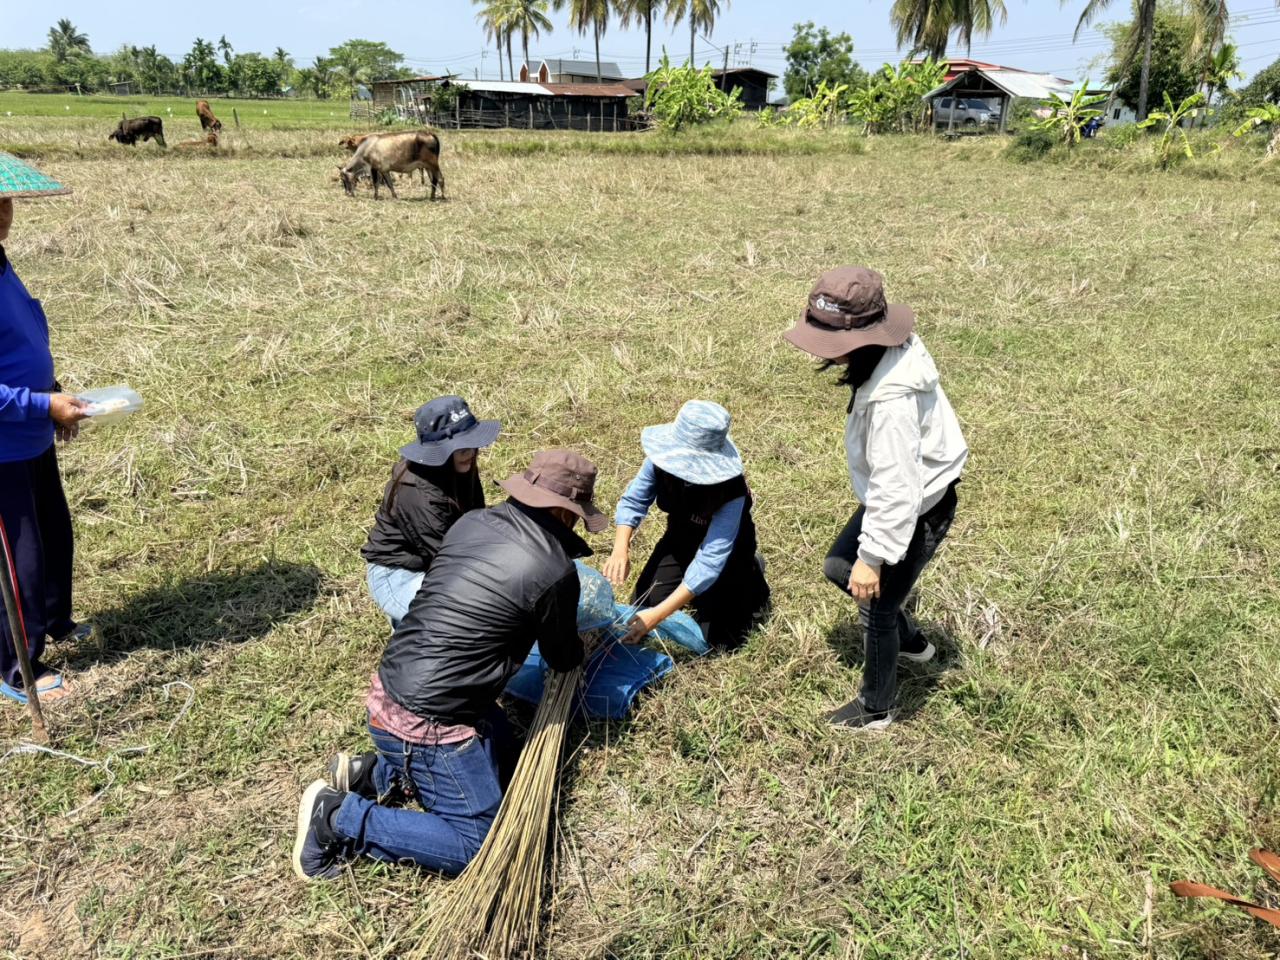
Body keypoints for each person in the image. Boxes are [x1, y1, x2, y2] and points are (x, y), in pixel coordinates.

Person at [293, 449, 608, 881]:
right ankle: (337, 818)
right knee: (477, 842)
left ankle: (377, 775)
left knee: (506, 754)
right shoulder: (555, 570)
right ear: (564, 511)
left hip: (391, 685)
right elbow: (562, 658)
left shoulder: (473, 522)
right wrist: (578, 639)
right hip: (427, 726)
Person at [783, 267, 968, 731]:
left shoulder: (891, 404)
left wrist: (873, 558)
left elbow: (898, 486)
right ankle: (912, 644)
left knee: (876, 606)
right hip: (899, 497)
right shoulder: (885, 354)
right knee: (838, 568)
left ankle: (875, 708)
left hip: (919, 505)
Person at [0, 154, 93, 706]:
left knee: (53, 535)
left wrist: (53, 394)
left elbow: (20, 339)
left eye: (6, 201)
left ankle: (55, 620)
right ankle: (16, 666)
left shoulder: (1, 263)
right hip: (4, 448)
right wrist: (41, 404)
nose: (4, 213)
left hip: (32, 433)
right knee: (18, 558)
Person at [603, 400, 769, 652]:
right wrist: (620, 549)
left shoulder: (731, 491)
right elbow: (634, 501)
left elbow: (711, 560)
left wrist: (658, 616)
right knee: (643, 604)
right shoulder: (659, 462)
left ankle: (751, 570)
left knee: (719, 641)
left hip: (728, 553)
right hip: (681, 539)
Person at [360, 396, 500, 628]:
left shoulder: (460, 465)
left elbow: (474, 518)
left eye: (473, 444)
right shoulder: (418, 493)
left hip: (437, 557)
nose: (470, 453)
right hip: (400, 572)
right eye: (461, 448)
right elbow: (449, 561)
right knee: (473, 615)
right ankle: (410, 626)